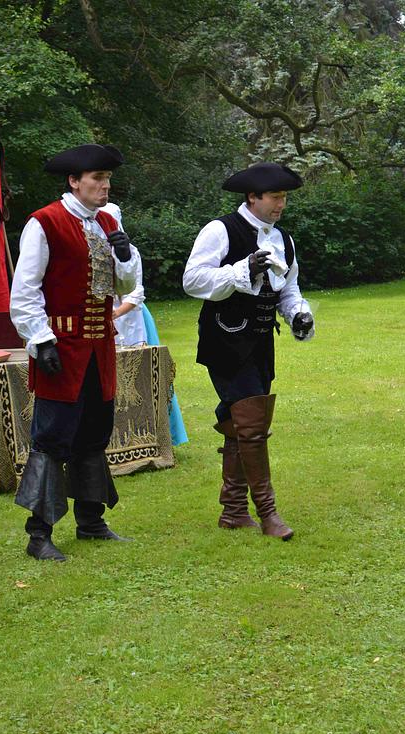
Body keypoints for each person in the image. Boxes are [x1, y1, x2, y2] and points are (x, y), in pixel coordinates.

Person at [10, 143, 140, 561]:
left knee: (94, 434)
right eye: (97, 179)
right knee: (51, 438)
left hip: (100, 349)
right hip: (61, 349)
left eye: (108, 179)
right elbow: (25, 290)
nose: (105, 186)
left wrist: (125, 255)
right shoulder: (45, 222)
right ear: (74, 181)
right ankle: (39, 535)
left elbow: (123, 287)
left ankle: (91, 522)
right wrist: (40, 339)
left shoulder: (107, 222)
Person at [183, 161, 314, 540]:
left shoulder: (284, 240)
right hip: (224, 340)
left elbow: (288, 288)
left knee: (240, 421)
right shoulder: (220, 230)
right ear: (253, 197)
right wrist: (242, 269)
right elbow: (192, 280)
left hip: (260, 342)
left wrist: (298, 314)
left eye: (284, 197)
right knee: (253, 424)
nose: (281, 204)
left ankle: (233, 510)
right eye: (275, 197)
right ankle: (268, 514)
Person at [102, 202, 188, 446]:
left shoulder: (130, 252)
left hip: (130, 320)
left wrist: (114, 314)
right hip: (100, 321)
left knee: (139, 379)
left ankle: (148, 435)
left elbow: (136, 292)